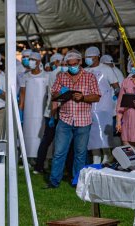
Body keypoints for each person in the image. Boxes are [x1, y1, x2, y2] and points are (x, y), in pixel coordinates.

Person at [47, 49, 100, 188]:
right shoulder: (61, 76)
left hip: (83, 121)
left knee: (80, 154)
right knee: (59, 152)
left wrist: (83, 97)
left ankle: (77, 182)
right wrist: (63, 93)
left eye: (74, 64)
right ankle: (54, 182)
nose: (72, 67)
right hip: (65, 119)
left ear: (80, 62)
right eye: (69, 64)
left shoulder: (90, 77)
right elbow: (53, 94)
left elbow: (97, 96)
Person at [84, 46, 120, 164]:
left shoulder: (106, 69)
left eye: (90, 56)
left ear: (97, 56)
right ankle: (96, 156)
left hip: (104, 107)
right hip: (88, 107)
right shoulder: (85, 71)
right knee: (92, 134)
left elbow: (116, 86)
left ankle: (107, 154)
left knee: (103, 133)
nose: (88, 59)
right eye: (86, 57)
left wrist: (117, 97)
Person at [33, 53, 63, 174]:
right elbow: (54, 97)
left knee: (47, 141)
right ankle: (42, 165)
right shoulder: (55, 74)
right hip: (54, 112)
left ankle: (40, 166)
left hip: (53, 112)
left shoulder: (52, 74)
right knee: (51, 141)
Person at [19, 51, 50, 163]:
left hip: (42, 110)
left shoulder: (47, 76)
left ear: (38, 62)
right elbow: (23, 93)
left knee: (41, 134)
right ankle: (28, 159)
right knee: (28, 134)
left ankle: (43, 159)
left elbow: (49, 93)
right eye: (29, 59)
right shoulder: (25, 76)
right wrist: (21, 107)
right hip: (29, 111)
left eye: (33, 60)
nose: (30, 62)